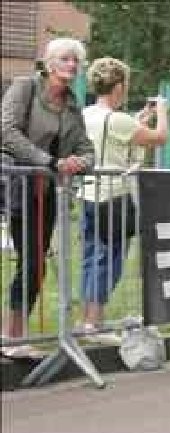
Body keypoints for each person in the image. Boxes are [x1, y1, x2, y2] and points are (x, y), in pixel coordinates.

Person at [1, 37, 95, 359]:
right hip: (19, 185)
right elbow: (7, 132)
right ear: (50, 62)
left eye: (76, 60)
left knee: (36, 265)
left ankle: (15, 336)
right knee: (30, 263)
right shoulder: (25, 87)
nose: (72, 65)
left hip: (48, 193)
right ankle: (11, 337)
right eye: (66, 58)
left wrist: (78, 162)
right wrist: (50, 162)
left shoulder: (72, 103)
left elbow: (86, 149)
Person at [79, 57, 168, 343]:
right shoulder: (117, 120)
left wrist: (139, 120)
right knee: (109, 261)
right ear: (118, 86)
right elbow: (160, 138)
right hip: (114, 197)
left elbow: (119, 137)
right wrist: (162, 111)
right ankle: (95, 325)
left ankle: (88, 321)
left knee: (91, 258)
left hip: (88, 194)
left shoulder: (87, 114)